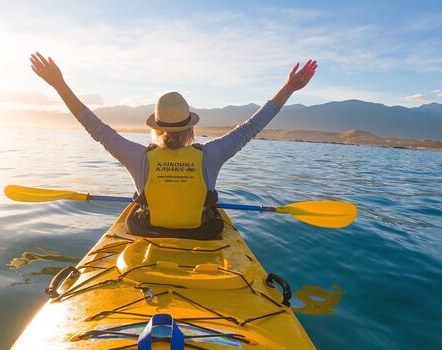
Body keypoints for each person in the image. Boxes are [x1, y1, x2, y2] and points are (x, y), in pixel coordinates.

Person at [30, 52, 317, 239]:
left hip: (148, 232)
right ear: (190, 127)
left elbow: (94, 126)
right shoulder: (212, 155)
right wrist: (288, 88)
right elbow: (253, 126)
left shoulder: (137, 156)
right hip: (200, 234)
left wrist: (59, 85)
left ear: (156, 128)